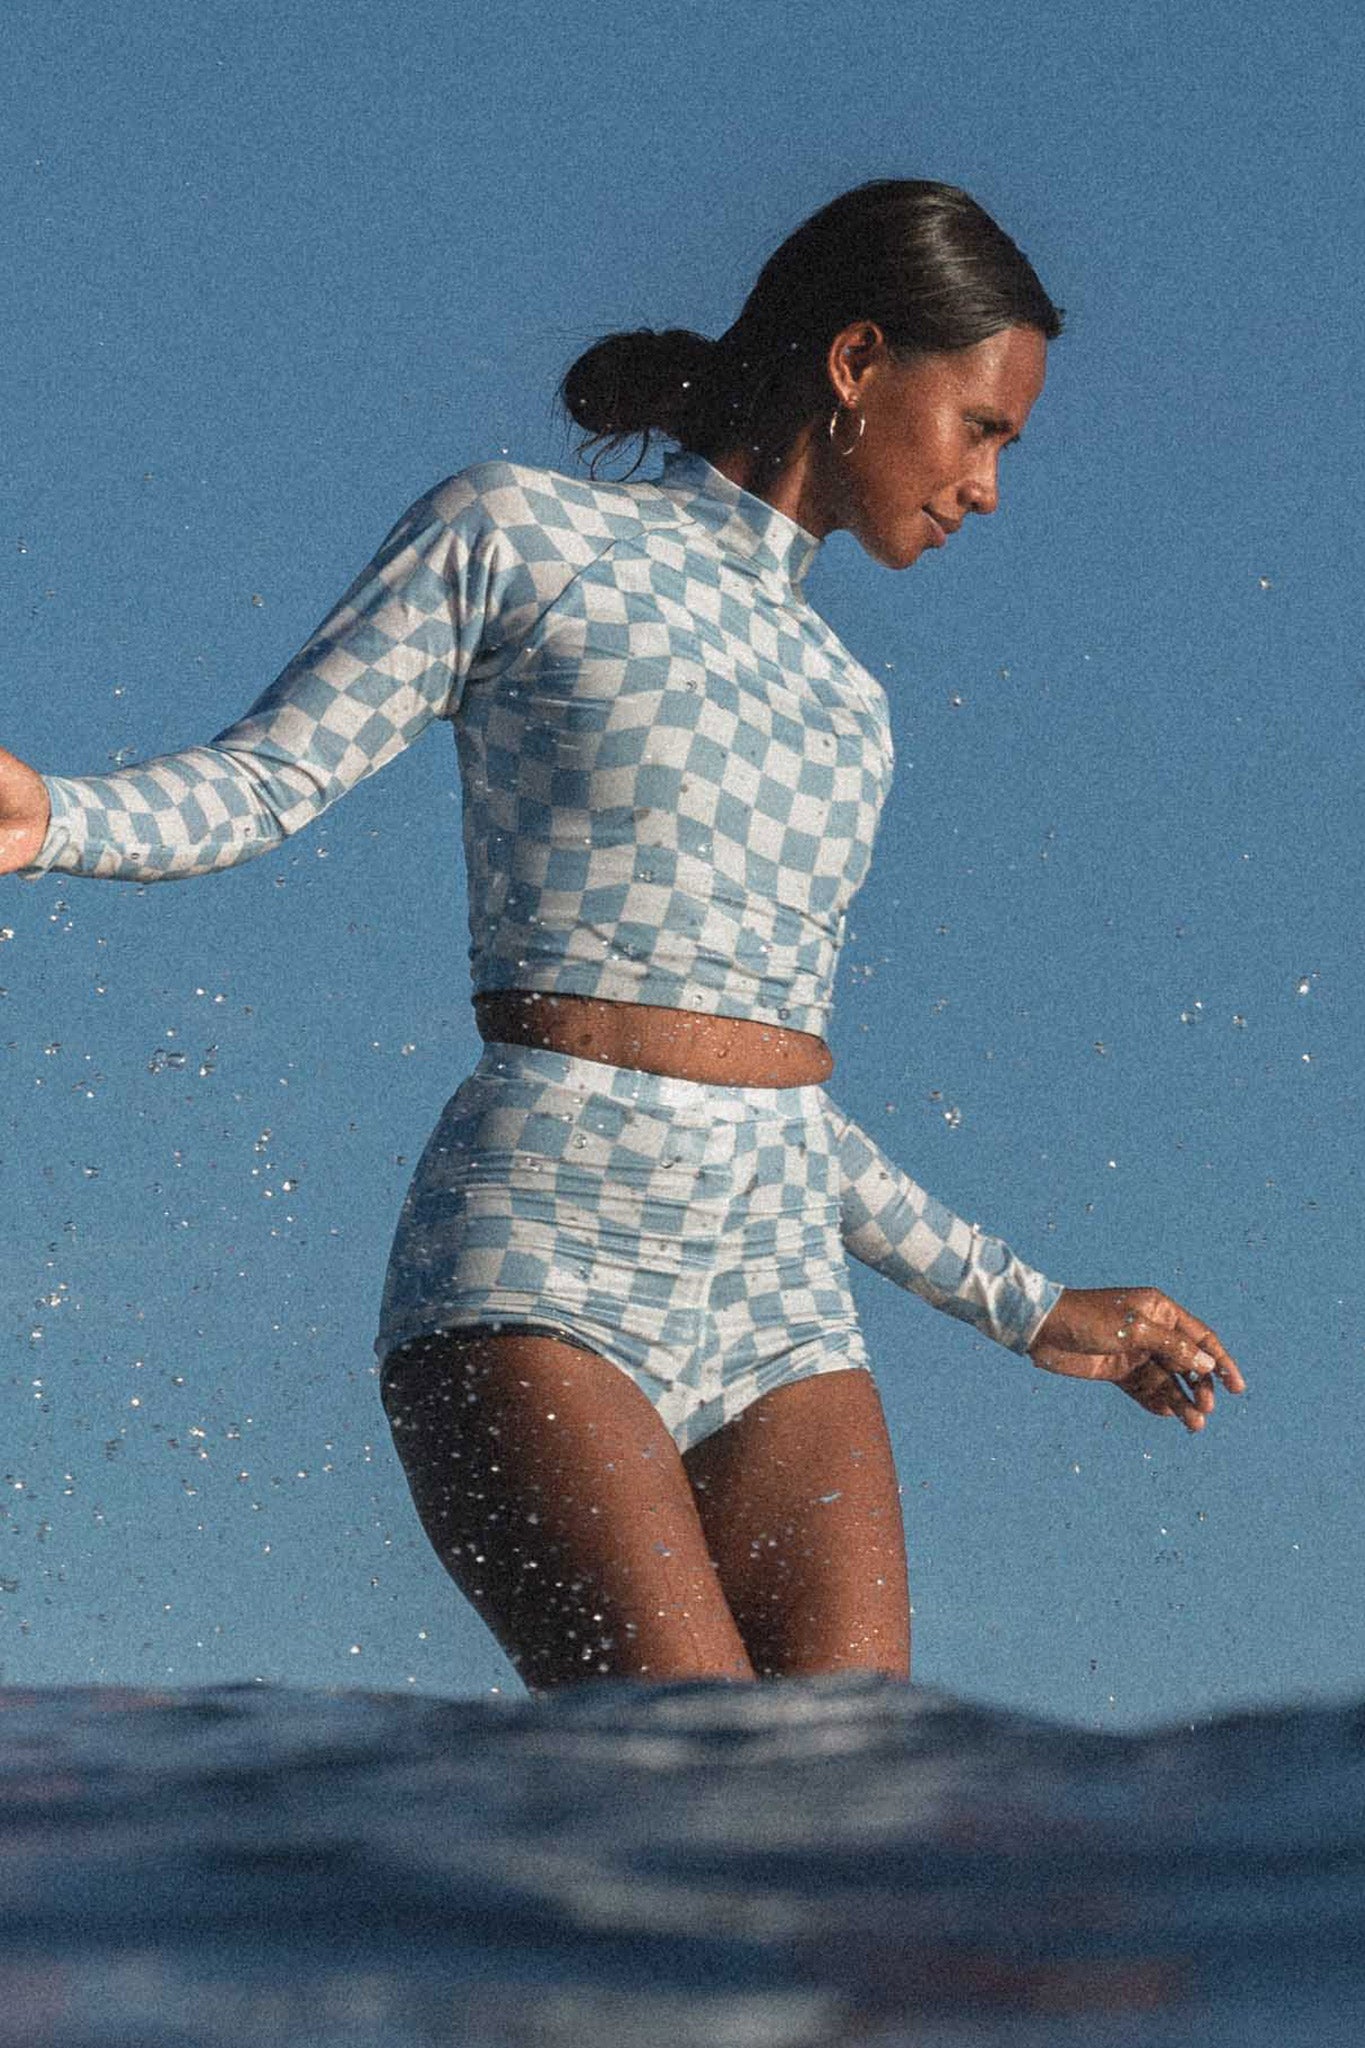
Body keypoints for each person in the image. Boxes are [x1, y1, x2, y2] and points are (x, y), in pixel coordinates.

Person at [0, 179, 1244, 1693]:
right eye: (981, 427)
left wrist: (1027, 1305)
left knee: (851, 1813)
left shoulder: (851, 708)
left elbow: (769, 1092)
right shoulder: (520, 537)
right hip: (538, 1258)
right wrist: (50, 817)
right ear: (858, 363)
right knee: (692, 1795)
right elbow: (268, 780)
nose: (988, 485)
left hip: (779, 1295)